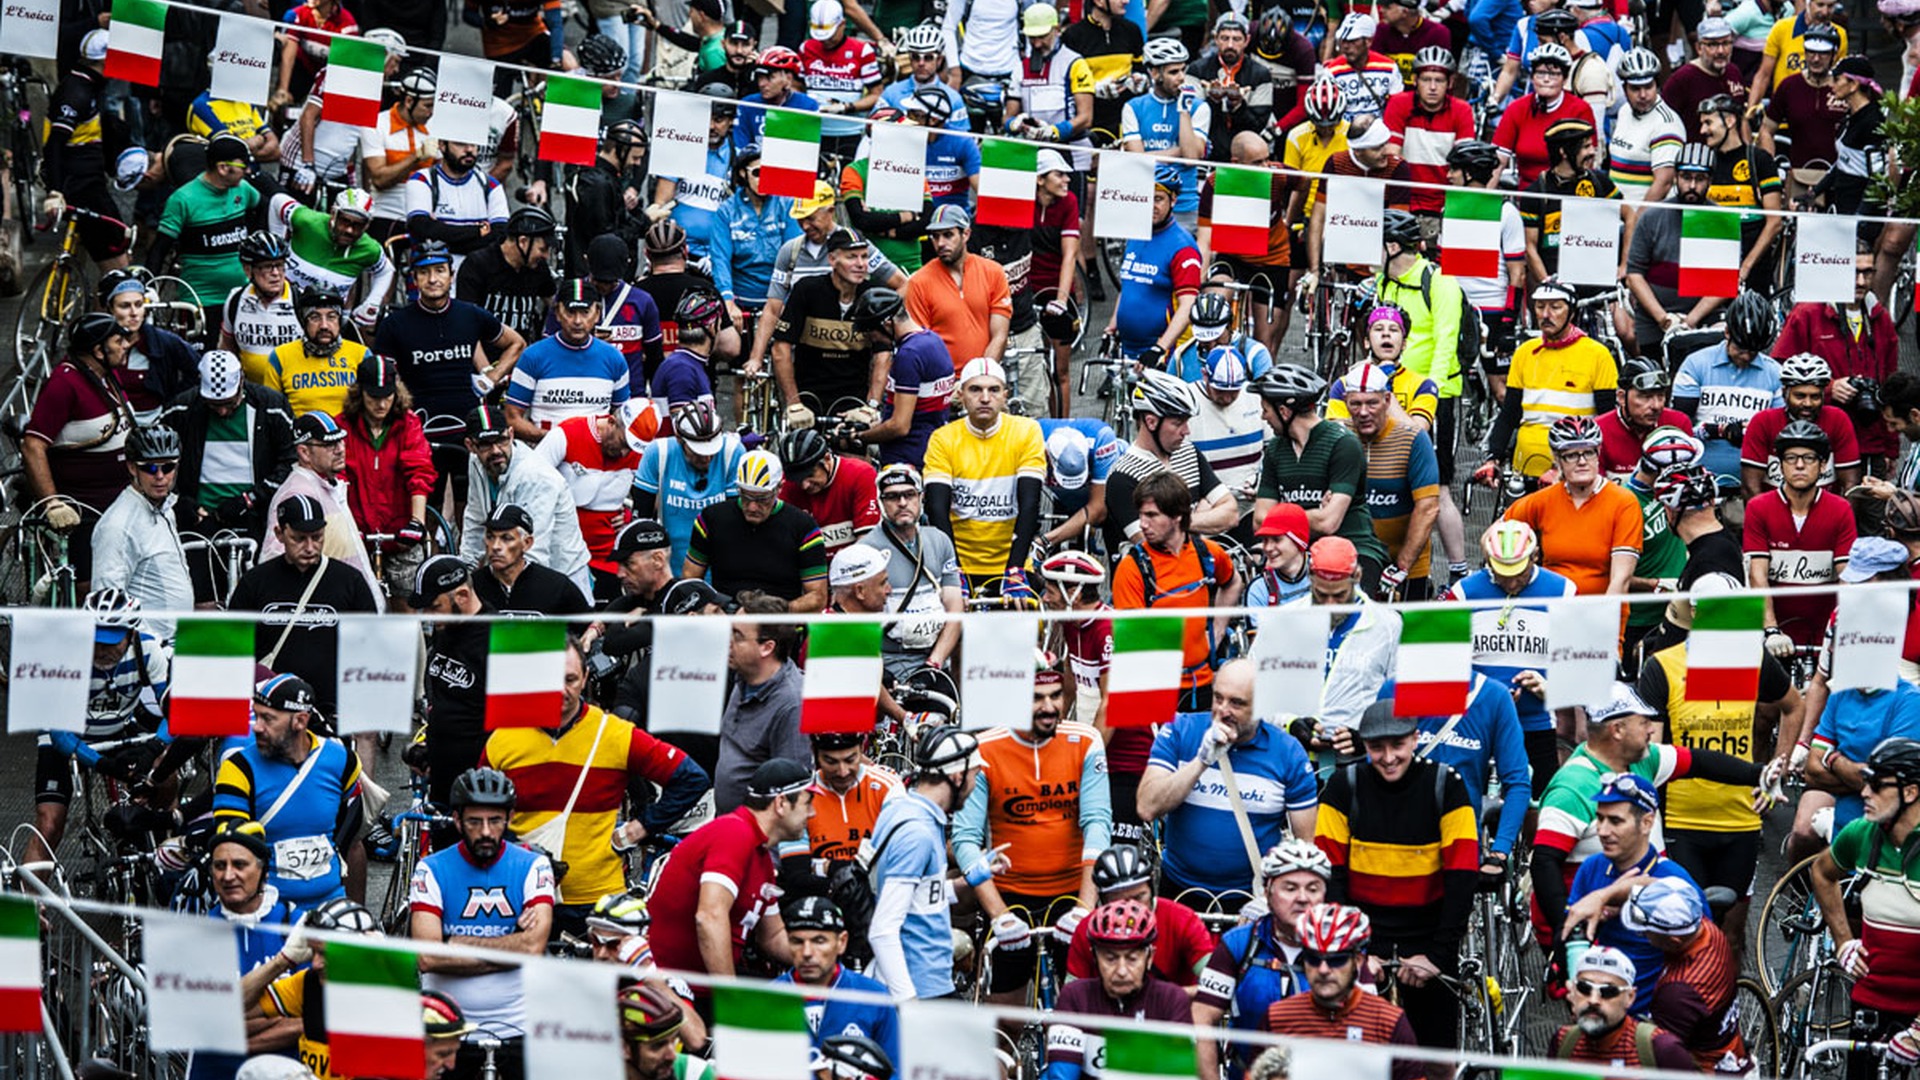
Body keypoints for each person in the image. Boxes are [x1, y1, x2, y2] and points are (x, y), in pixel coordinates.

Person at [479, 639, 709, 934]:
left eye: (571, 680)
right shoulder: (503, 738)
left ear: (586, 678)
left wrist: (641, 827)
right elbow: (482, 811)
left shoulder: (614, 734)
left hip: (595, 900)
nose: (561, 690)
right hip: (521, 895)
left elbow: (692, 779)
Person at [1531, 682, 1765, 951]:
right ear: (1617, 730)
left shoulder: (1642, 759)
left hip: (1642, 916)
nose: (1653, 729)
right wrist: (1566, 935)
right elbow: (1544, 863)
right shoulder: (1572, 786)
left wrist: (1759, 773)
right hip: (1592, 930)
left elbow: (1699, 762)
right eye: (1643, 722)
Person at [1315, 700, 1479, 1053]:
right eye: (1376, 747)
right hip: (1363, 937)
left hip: (1428, 937)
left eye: (1398, 745)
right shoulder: (1343, 786)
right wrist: (1354, 952)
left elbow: (1462, 877)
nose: (1388, 757)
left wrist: (1437, 957)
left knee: (1436, 1059)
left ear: (1416, 739)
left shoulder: (1447, 786)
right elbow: (1331, 877)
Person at [955, 651, 1112, 1003]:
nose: (1049, 707)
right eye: (1036, 697)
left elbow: (1098, 826)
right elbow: (965, 839)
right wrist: (999, 915)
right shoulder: (985, 749)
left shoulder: (1086, 741)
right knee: (1004, 1026)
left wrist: (1086, 908)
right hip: (1010, 895)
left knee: (1082, 1017)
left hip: (1072, 891)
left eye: (1055, 695)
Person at [408, 768, 554, 1080]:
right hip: (447, 1028)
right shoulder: (430, 869)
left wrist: (457, 944)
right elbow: (427, 958)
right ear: (458, 821)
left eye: (495, 820)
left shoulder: (534, 866)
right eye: (475, 821)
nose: (486, 831)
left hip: (519, 1026)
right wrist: (511, 948)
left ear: (510, 818)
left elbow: (533, 948)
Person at [1139, 658, 1318, 899]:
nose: (1223, 710)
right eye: (1218, 698)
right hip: (1180, 889)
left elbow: (1305, 846)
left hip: (1252, 894)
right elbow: (1147, 807)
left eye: (1236, 703)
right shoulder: (1181, 730)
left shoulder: (1288, 753)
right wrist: (1200, 762)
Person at [24, 591, 173, 871]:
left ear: (130, 633)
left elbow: (175, 713)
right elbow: (60, 735)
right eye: (94, 639)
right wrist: (103, 765)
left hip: (119, 729)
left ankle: (169, 854)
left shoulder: (148, 649)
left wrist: (154, 747)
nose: (100, 650)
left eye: (110, 642)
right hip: (67, 737)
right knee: (49, 823)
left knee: (166, 777)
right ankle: (29, 908)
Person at [1809, 737, 1920, 1075]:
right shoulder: (1861, 833)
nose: (1864, 793)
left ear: (1911, 792)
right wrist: (1843, 941)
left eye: (1876, 785)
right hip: (1871, 999)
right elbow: (1822, 872)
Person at [1560, 772, 1710, 1014]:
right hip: (1601, 1011)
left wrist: (1610, 898)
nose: (1602, 831)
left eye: (1616, 821)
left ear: (1647, 823)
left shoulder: (1674, 879)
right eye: (1599, 819)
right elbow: (1572, 937)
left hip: (1658, 1019)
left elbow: (1702, 955)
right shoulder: (1592, 868)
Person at [212, 674, 365, 912]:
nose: (256, 727)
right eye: (256, 715)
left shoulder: (342, 760)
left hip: (330, 905)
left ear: (300, 721)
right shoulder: (238, 768)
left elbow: (353, 814)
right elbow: (231, 843)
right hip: (267, 912)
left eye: (268, 719)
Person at [1445, 520, 1577, 792]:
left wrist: (1549, 689)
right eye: (1502, 574)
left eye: (1520, 573)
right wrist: (1488, 692)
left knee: (1538, 803)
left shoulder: (1564, 591)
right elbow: (1442, 666)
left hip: (1537, 721)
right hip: (1476, 720)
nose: (1512, 582)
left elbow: (1580, 667)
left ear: (1535, 556)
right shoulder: (1463, 593)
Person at [648, 758, 810, 978]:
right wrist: (729, 994)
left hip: (702, 983)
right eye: (807, 803)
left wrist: (827, 964)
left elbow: (773, 937)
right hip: (675, 986)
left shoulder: (760, 856)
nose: (812, 813)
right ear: (781, 804)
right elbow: (709, 916)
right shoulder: (734, 833)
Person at [229, 494, 381, 723]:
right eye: (299, 538)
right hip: (270, 708)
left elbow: (370, 643)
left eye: (317, 537)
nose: (310, 547)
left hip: (333, 706)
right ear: (280, 534)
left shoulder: (349, 581)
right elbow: (234, 647)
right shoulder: (256, 582)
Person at [1191, 840, 1328, 1078]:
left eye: (1313, 889)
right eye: (1290, 888)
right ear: (1267, 892)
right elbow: (1202, 1018)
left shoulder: (1345, 949)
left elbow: (1366, 1030)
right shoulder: (1239, 944)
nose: (1303, 898)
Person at [866, 725, 981, 1000]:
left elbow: (918, 899)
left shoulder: (904, 810)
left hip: (931, 982)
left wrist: (971, 880)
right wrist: (908, 1002)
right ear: (956, 776)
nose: (975, 786)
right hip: (920, 986)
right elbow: (883, 930)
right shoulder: (917, 834)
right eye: (975, 776)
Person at [1251, 366, 1391, 590]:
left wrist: (1281, 516)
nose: (1263, 416)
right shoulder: (1276, 449)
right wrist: (1312, 514)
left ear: (1284, 412)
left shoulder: (1342, 444)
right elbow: (1259, 520)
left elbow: (1328, 523)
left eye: (1266, 409)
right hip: (1296, 550)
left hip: (1353, 545)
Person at [23, 312, 138, 580]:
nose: (126, 345)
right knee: (89, 584)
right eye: (118, 341)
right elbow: (32, 445)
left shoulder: (106, 375)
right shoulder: (64, 383)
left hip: (122, 499)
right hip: (84, 510)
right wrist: (52, 503)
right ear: (99, 350)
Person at [160, 351, 296, 576]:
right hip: (198, 518)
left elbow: (290, 461)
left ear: (242, 381)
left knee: (249, 595)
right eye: (214, 405)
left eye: (228, 403)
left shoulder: (271, 405)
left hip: (253, 517)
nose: (222, 411)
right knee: (203, 600)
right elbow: (157, 458)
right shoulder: (182, 408)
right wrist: (178, 500)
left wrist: (250, 499)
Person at [1112, 471, 1239, 711]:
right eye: (1141, 514)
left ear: (1178, 517)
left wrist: (1218, 629)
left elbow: (1232, 581)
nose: (1142, 524)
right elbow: (1131, 645)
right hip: (1156, 690)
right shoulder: (1132, 567)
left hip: (1202, 684)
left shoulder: (1207, 553)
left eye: (1151, 515)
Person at [922, 358, 1047, 590]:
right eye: (975, 389)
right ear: (960, 395)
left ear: (1005, 395)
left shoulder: (1026, 431)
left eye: (994, 390)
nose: (985, 398)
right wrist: (953, 569)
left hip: (1012, 561)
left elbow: (1030, 504)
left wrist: (1015, 570)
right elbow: (936, 508)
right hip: (960, 564)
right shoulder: (942, 438)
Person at [1261, 903, 1422, 1080]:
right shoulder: (1277, 1017)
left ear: (1358, 961)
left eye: (1336, 960)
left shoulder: (1389, 1021)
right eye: (1313, 959)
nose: (1323, 970)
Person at [1773, 250, 1899, 475]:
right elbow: (1779, 369)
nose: (1861, 281)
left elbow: (1891, 386)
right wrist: (1829, 387)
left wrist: (1891, 448)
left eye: (1867, 273)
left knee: (1870, 508)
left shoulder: (1881, 319)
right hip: (1818, 439)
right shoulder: (1808, 313)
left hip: (1870, 442)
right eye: (1854, 273)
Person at [1042, 899, 1195, 1080]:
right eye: (1110, 958)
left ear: (1150, 957)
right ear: (1094, 956)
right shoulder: (1075, 997)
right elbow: (1062, 1076)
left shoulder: (1171, 999)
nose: (1121, 971)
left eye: (1132, 959)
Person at [460, 404, 594, 601]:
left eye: (501, 440)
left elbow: (533, 550)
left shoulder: (535, 476)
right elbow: (475, 520)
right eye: (486, 444)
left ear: (511, 434)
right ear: (470, 446)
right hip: (512, 572)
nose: (496, 450)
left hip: (563, 575)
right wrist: (467, 575)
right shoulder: (476, 463)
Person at [1500, 416, 1644, 597]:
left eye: (1589, 453)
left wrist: (1606, 617)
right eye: (1571, 455)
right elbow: (1493, 535)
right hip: (1551, 605)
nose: (1582, 461)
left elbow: (1621, 579)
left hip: (1600, 607)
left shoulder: (1624, 502)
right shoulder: (1543, 501)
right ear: (1558, 459)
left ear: (1598, 453)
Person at [1744, 420, 1856, 649]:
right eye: (1791, 458)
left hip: (1825, 633)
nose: (1800, 465)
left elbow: (1846, 577)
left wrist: (1841, 627)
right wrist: (1771, 629)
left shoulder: (1841, 509)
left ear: (1823, 465)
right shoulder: (1758, 507)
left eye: (1809, 458)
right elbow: (1758, 573)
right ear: (1780, 465)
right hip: (1774, 630)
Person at [1104, 370, 1239, 553]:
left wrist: (1178, 521)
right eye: (1178, 423)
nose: (1187, 431)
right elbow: (1154, 545)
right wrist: (1203, 512)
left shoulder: (1188, 452)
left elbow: (1231, 513)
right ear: (1151, 422)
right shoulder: (1123, 477)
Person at [336, 356, 435, 606]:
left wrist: (417, 523)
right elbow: (338, 477)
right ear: (360, 393)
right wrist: (345, 525)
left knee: (408, 608)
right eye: (373, 397)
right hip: (357, 533)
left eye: (387, 396)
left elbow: (419, 471)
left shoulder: (409, 423)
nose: (381, 404)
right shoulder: (342, 426)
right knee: (355, 606)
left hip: (400, 532)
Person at [1338, 362, 1439, 600]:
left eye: (1372, 403)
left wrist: (1402, 566)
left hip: (1408, 563)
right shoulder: (1338, 436)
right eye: (1356, 404)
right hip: (1353, 563)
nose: (1363, 412)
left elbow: (1428, 507)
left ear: (1387, 400)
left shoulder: (1413, 438)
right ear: (1345, 402)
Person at [855, 464, 965, 679]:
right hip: (889, 662)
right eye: (892, 497)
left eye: (909, 494)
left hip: (936, 658)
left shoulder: (939, 540)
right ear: (880, 502)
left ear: (921, 497)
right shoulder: (866, 550)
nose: (902, 503)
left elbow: (955, 607)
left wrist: (934, 663)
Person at [684, 451, 829, 610]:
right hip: (725, 616)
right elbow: (689, 578)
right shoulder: (711, 519)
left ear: (779, 488)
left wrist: (777, 613)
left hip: (778, 622)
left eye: (762, 499)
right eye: (745, 497)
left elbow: (818, 597)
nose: (752, 507)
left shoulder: (803, 527)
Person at [533, 403, 650, 594]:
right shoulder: (567, 433)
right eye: (623, 443)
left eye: (632, 448)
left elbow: (651, 502)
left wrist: (631, 518)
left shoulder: (638, 451)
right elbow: (532, 481)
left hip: (606, 555)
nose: (625, 453)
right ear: (611, 422)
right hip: (560, 549)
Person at [773, 226, 888, 421]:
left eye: (864, 257)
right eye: (852, 257)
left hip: (854, 402)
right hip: (808, 399)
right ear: (832, 260)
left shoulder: (873, 296)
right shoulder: (807, 290)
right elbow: (780, 349)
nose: (861, 264)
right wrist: (793, 403)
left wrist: (872, 405)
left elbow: (883, 355)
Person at [40, 30, 131, 274]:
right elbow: (54, 145)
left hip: (90, 182)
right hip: (83, 187)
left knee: (91, 251)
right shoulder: (76, 92)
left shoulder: (89, 85)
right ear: (105, 60)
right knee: (118, 267)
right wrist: (55, 191)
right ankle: (108, 311)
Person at [147, 134, 261, 328]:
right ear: (223, 168)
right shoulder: (183, 200)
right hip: (201, 300)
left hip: (242, 296)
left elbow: (262, 212)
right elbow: (159, 249)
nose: (248, 170)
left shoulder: (243, 189)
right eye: (243, 166)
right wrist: (146, 288)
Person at [769, 895, 900, 1063]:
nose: (807, 952)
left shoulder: (874, 997)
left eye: (819, 941)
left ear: (842, 942)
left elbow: (896, 1070)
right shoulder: (767, 999)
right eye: (797, 942)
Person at [90, 426, 193, 639]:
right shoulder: (118, 526)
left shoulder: (163, 507)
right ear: (131, 468)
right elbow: (107, 604)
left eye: (168, 466)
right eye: (150, 468)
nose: (160, 476)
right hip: (149, 649)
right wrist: (147, 648)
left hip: (176, 641)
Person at [1670, 289, 1783, 478]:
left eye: (1754, 351)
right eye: (1741, 348)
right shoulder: (1696, 364)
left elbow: (1779, 429)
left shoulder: (1774, 372)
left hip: (1755, 476)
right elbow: (1679, 427)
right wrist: (1716, 431)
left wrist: (1754, 430)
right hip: (1701, 475)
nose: (1747, 356)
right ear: (1727, 332)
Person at [713, 592, 809, 811]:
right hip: (732, 829)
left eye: (737, 636)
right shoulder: (743, 678)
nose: (728, 642)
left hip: (761, 839)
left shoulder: (792, 704)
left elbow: (792, 793)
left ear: (766, 647)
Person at [507, 279, 633, 441]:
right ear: (558, 313)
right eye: (570, 312)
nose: (578, 321)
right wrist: (557, 441)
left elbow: (622, 417)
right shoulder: (533, 356)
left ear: (598, 313)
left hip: (596, 458)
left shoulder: (614, 358)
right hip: (545, 457)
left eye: (585, 312)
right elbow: (512, 418)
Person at [849, 288, 955, 468]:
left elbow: (900, 426)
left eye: (870, 332)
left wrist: (859, 437)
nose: (871, 340)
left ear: (887, 323)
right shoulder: (932, 340)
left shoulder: (909, 355)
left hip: (907, 456)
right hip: (933, 447)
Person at [633, 403, 744, 574]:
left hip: (719, 567)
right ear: (679, 439)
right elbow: (641, 518)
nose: (706, 458)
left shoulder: (732, 452)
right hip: (670, 567)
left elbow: (734, 521)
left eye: (711, 451)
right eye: (698, 453)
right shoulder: (658, 453)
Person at [1548, 947, 1698, 1069]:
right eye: (1584, 988)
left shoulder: (1660, 1048)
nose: (1593, 1000)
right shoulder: (1563, 1041)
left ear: (1630, 997)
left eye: (1608, 991)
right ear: (1572, 991)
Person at [1113, 169, 1205, 365]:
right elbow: (1128, 286)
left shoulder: (1183, 247)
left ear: (1173, 200)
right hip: (1127, 350)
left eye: (1158, 199)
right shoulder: (1135, 235)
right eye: (1146, 198)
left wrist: (1159, 348)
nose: (1151, 206)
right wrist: (1111, 328)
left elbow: (1188, 305)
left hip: (1161, 352)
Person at [1696, 93, 1786, 290]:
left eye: (1708, 123)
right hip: (1709, 267)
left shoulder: (1759, 160)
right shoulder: (1703, 162)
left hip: (1752, 273)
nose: (1703, 130)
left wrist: (1745, 267)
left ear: (1729, 121)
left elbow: (1775, 222)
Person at [1492, 44, 1599, 187]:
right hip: (1527, 193)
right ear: (1532, 77)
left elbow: (1588, 162)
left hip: (1568, 191)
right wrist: (1484, 200)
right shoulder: (1517, 108)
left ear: (1565, 79)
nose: (1546, 79)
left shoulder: (1580, 109)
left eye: (1554, 74)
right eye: (1540, 73)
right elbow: (1497, 161)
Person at [404, 137, 508, 275]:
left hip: (478, 279)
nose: (469, 150)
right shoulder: (422, 180)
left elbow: (501, 236)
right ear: (442, 145)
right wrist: (478, 231)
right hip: (432, 280)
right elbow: (421, 228)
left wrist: (442, 238)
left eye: (474, 144)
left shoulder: (491, 185)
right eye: (461, 143)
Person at [264, 289, 371, 421]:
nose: (324, 326)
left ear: (340, 321)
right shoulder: (280, 357)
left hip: (349, 438)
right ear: (304, 322)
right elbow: (270, 412)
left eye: (331, 317)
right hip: (301, 437)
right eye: (315, 317)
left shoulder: (361, 355)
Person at [455, 206, 557, 344]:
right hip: (483, 355)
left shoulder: (537, 267)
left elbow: (556, 306)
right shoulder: (478, 265)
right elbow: (466, 325)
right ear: (523, 242)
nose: (545, 256)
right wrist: (485, 366)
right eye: (543, 249)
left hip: (523, 358)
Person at [472, 504, 595, 617]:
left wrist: (591, 632)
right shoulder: (473, 585)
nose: (495, 546)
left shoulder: (554, 585)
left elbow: (589, 622)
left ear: (527, 543)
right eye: (490, 537)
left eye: (506, 538)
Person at [358, 70, 437, 242]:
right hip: (386, 213)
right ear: (409, 101)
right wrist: (416, 157)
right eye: (427, 106)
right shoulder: (377, 125)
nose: (431, 113)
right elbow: (379, 180)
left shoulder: (434, 127)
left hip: (426, 214)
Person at [221, 233, 303, 388]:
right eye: (267, 266)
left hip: (292, 393)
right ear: (248, 270)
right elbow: (227, 346)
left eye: (279, 265)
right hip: (252, 392)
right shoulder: (235, 299)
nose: (276, 273)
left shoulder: (301, 300)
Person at [1608, 49, 1685, 204]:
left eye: (1648, 86)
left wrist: (1636, 222)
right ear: (1625, 89)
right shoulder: (1624, 111)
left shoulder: (1666, 124)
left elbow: (1663, 184)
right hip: (1617, 213)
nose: (1643, 95)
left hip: (1644, 218)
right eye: (1635, 89)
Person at [1599, 358, 1692, 478]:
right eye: (1645, 397)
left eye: (1661, 396)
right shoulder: (1600, 430)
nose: (1656, 406)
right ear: (1622, 398)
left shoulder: (1678, 423)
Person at [1662, 19, 1746, 142]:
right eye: (1713, 45)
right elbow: (1662, 123)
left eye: (1726, 43)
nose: (1721, 51)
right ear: (1699, 48)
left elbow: (1742, 118)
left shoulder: (1734, 72)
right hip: (1694, 156)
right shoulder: (1681, 79)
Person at [616, 984, 718, 1080]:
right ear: (624, 1048)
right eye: (658, 1046)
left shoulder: (694, 1074)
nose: (672, 1056)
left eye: (674, 1041)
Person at [1243, 502, 1314, 619]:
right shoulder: (1259, 588)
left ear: (1298, 541)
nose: (1268, 548)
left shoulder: (1325, 575)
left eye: (1277, 539)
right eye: (1265, 540)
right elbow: (1255, 637)